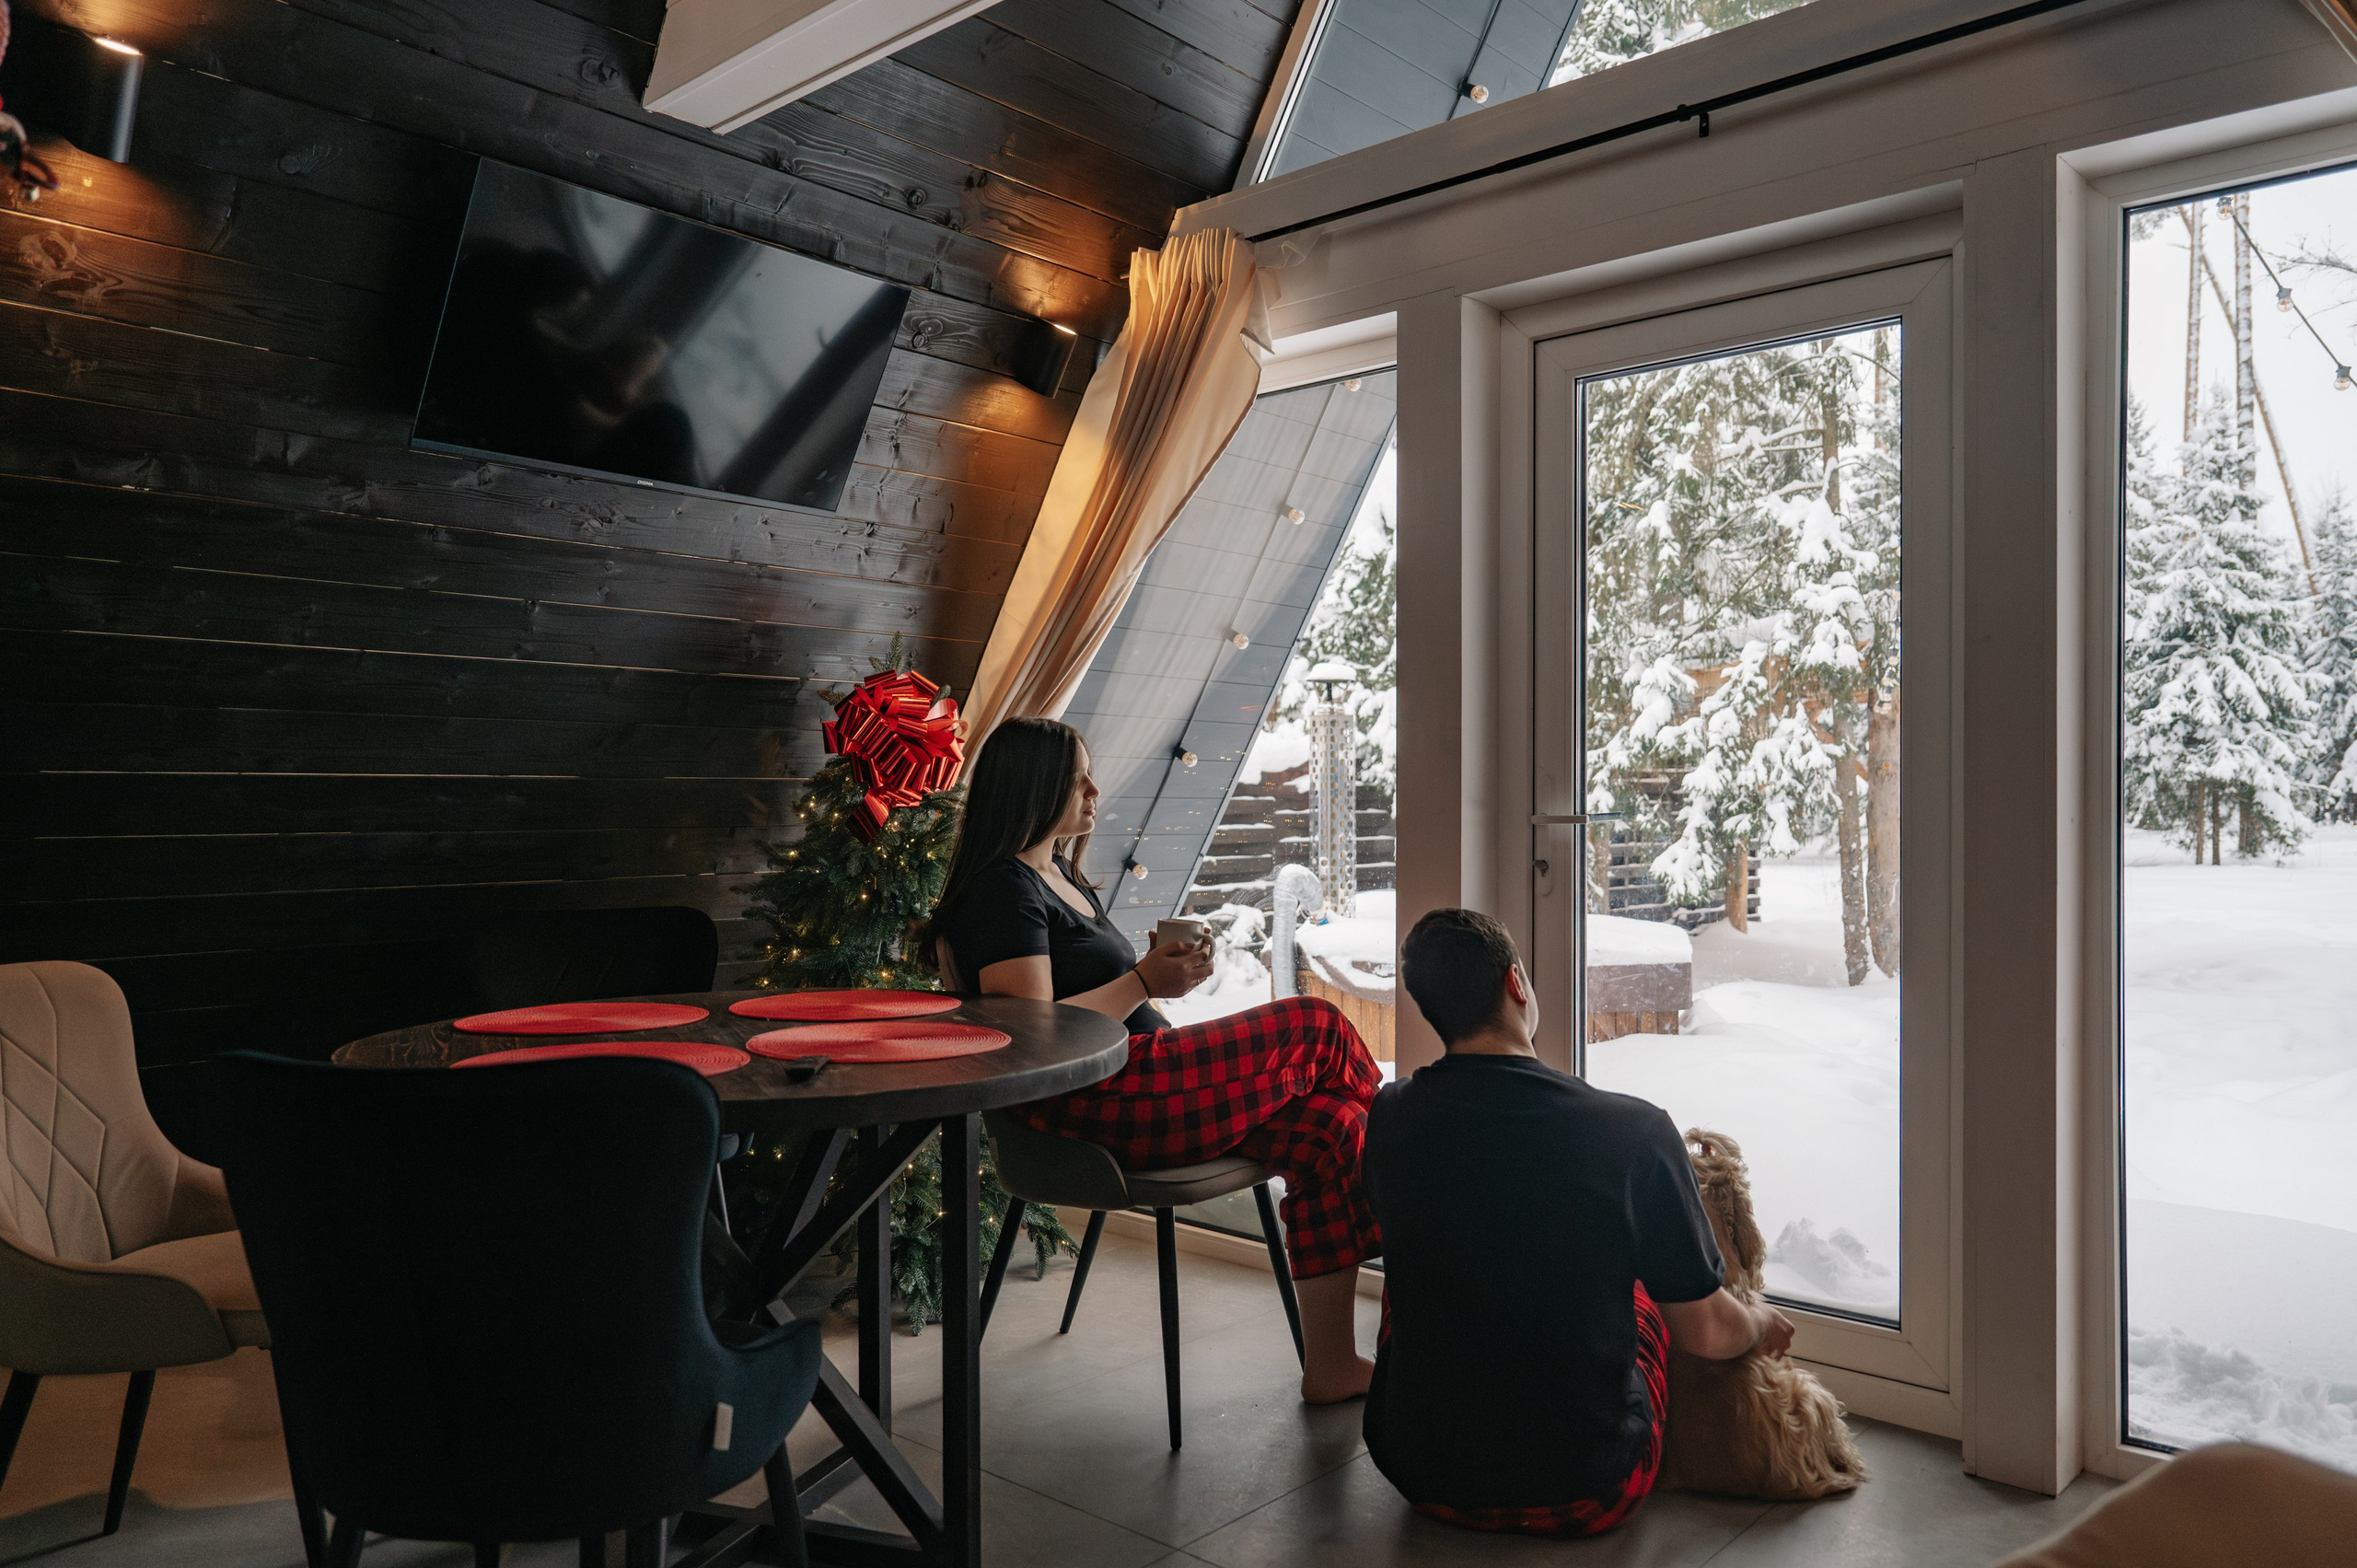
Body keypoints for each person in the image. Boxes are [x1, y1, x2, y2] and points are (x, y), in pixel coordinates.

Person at [922, 717, 1383, 1401]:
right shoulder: (1003, 887)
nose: (1094, 788)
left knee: (1332, 1126)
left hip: (1140, 1077)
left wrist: (1163, 980)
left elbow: (1097, 992)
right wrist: (1143, 981)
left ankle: (1332, 1364)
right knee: (1314, 1022)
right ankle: (1429, 1183)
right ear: (1032, 787)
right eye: (1076, 776)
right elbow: (1036, 1039)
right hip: (1096, 1100)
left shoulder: (1059, 877)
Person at [1363, 908, 1794, 1536]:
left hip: (1419, 1473)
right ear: (1517, 985)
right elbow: (1705, 1332)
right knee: (1646, 1288)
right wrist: (1757, 1322)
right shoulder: (1633, 1131)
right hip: (1588, 1489)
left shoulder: (1390, 1112)